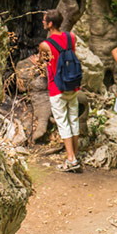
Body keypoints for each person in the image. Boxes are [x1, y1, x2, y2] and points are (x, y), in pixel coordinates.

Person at [38, 9, 82, 173]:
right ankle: (75, 156)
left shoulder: (45, 44)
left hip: (57, 87)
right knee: (73, 120)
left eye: (44, 20)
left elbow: (43, 62)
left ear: (50, 24)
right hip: (73, 84)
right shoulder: (71, 37)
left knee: (63, 123)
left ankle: (71, 159)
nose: (42, 23)